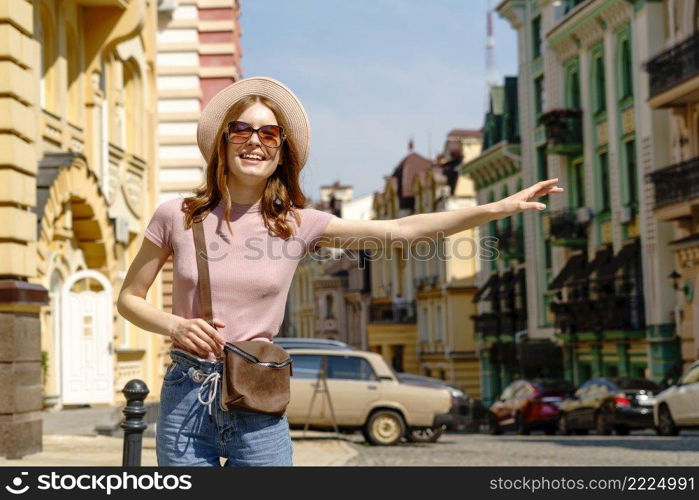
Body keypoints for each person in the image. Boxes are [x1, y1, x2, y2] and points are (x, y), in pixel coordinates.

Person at [116, 76, 564, 467]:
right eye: (243, 130)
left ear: (280, 152)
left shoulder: (297, 223)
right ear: (223, 140)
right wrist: (175, 324)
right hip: (186, 397)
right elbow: (129, 299)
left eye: (270, 134)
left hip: (258, 395)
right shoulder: (177, 215)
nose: (256, 141)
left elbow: (402, 231)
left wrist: (495, 208)